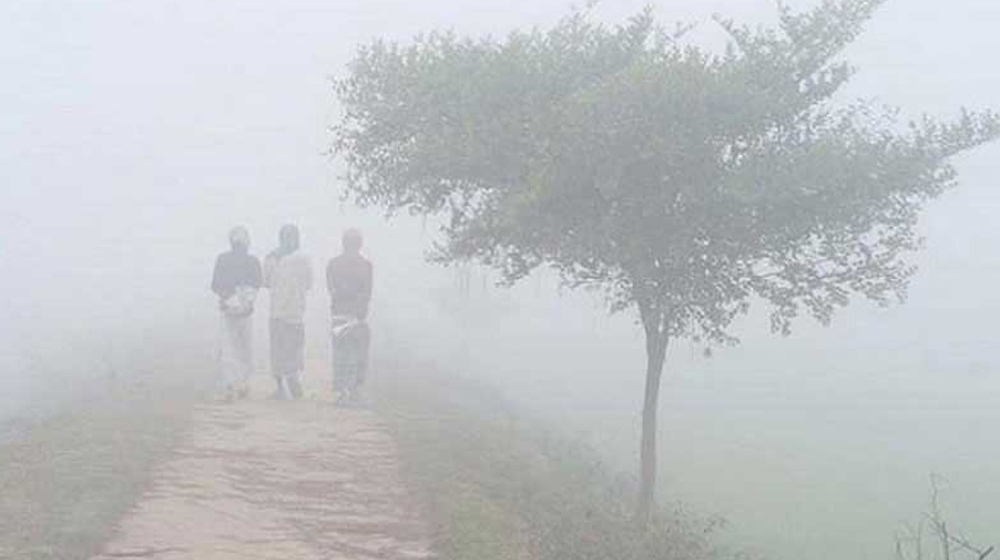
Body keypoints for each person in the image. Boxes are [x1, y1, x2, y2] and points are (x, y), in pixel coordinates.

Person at [210, 226, 262, 402]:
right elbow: (257, 284)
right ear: (247, 242)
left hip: (227, 310)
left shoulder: (222, 260)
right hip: (246, 312)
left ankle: (229, 384)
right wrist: (246, 301)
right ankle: (243, 384)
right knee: (244, 348)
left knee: (228, 348)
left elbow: (215, 285)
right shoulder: (253, 261)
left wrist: (227, 297)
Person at [263, 224, 313, 400]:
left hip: (277, 312)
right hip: (296, 312)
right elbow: (309, 284)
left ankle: (280, 388)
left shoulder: (271, 259)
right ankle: (293, 377)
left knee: (277, 350)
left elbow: (266, 283)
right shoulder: (304, 259)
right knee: (295, 348)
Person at [326, 228, 373, 404]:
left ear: (343, 243)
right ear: (360, 244)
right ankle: (355, 391)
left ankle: (342, 392)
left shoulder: (333, 264)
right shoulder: (366, 266)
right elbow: (367, 293)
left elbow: (332, 290)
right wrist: (359, 309)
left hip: (339, 315)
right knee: (358, 354)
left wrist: (343, 295)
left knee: (341, 354)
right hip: (357, 316)